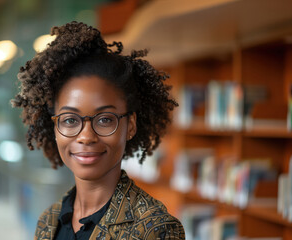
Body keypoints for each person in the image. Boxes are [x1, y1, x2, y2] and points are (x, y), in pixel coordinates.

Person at [12, 21, 185, 240]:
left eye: (104, 119)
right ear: (54, 127)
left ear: (130, 126)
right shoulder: (48, 221)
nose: (86, 136)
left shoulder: (155, 230)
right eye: (70, 120)